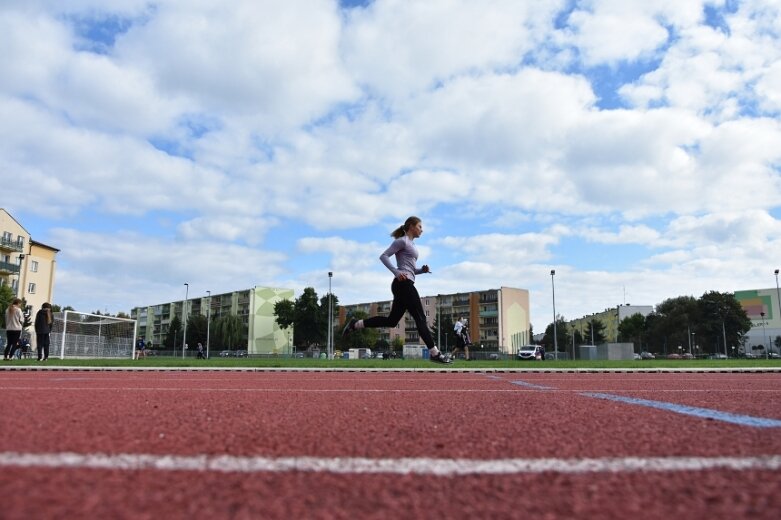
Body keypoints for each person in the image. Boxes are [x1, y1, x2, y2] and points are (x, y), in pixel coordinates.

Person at [342, 216, 452, 364]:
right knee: (421, 318)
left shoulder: (411, 245)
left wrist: (422, 270)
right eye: (420, 226)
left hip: (404, 283)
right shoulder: (402, 241)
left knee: (392, 321)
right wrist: (396, 272)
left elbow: (410, 269)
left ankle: (356, 324)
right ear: (411, 226)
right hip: (403, 284)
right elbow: (384, 256)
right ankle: (434, 353)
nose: (422, 229)